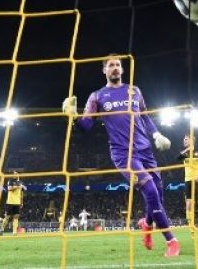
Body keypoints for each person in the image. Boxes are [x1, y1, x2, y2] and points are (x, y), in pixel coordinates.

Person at [62, 54, 180, 257]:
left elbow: (145, 116)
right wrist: (73, 117)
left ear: (122, 69)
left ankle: (147, 223)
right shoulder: (97, 96)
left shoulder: (134, 91)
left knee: (159, 195)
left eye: (118, 65)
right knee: (150, 191)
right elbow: (86, 126)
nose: (115, 68)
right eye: (110, 65)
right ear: (104, 71)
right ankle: (171, 241)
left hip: (145, 150)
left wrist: (156, 133)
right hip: (123, 154)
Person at [177, 134, 198, 238]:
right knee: (188, 205)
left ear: (192, 140)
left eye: (186, 139)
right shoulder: (184, 153)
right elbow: (177, 158)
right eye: (183, 139)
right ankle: (192, 231)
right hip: (188, 181)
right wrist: (187, 150)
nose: (184, 141)